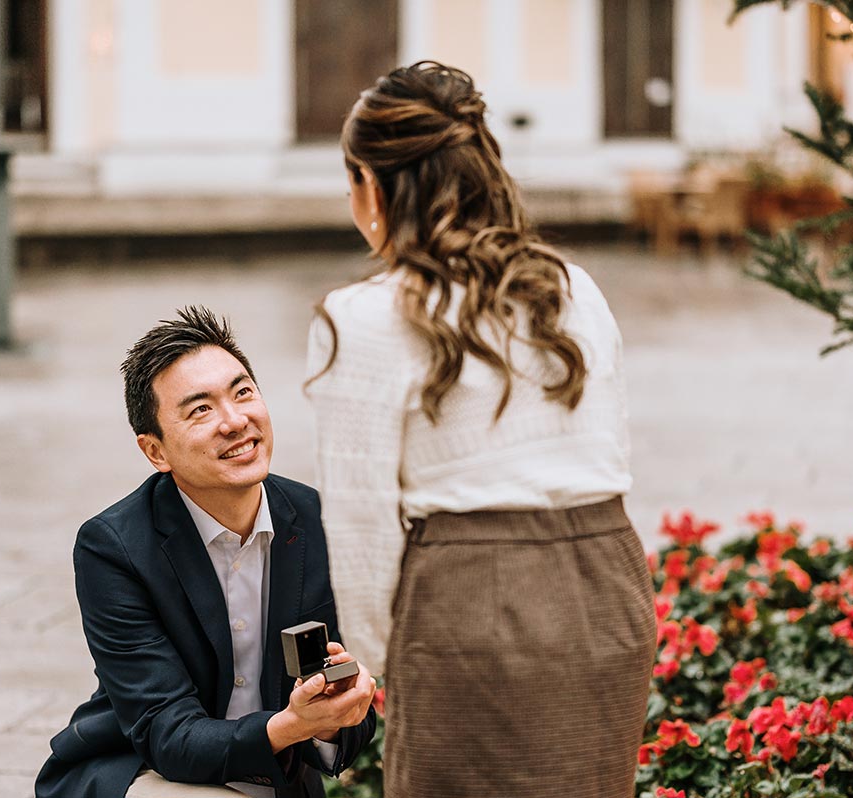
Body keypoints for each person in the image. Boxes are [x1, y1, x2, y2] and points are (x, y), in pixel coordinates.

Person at [304, 62, 656, 798]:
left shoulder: (363, 317)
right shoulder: (571, 288)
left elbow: (361, 523)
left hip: (475, 601)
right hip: (609, 589)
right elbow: (607, 452)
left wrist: (378, 664)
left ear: (374, 186)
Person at [36, 307, 377, 798]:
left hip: (275, 779)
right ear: (156, 452)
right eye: (201, 409)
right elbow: (166, 733)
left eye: (242, 393)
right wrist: (287, 726)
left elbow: (341, 732)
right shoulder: (114, 547)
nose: (235, 421)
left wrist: (328, 719)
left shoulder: (317, 520)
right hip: (142, 771)